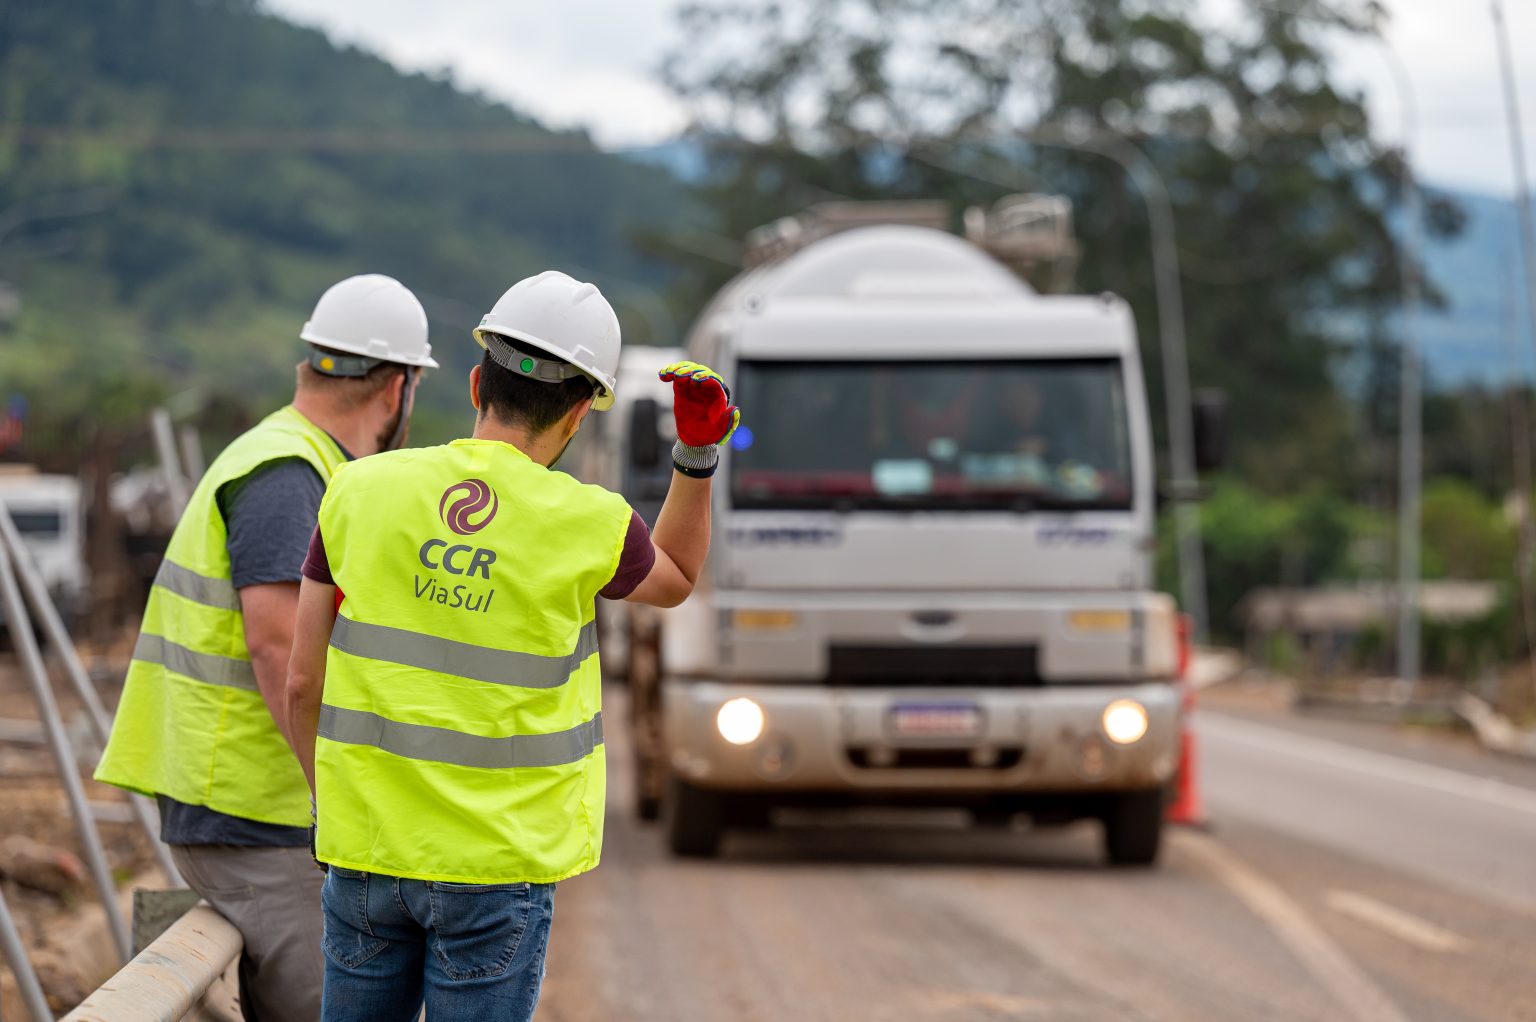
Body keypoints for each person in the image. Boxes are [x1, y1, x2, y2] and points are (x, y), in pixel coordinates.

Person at [283, 270, 738, 1022]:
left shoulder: (357, 491)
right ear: (581, 411)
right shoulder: (592, 523)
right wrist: (695, 454)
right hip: (496, 871)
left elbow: (302, 684)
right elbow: (678, 577)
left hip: (363, 852)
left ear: (475, 383)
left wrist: (331, 811)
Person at [95, 274, 437, 1021]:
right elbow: (281, 650)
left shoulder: (302, 463)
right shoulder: (289, 473)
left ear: (309, 364)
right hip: (255, 816)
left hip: (251, 808)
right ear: (398, 387)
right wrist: (347, 806)